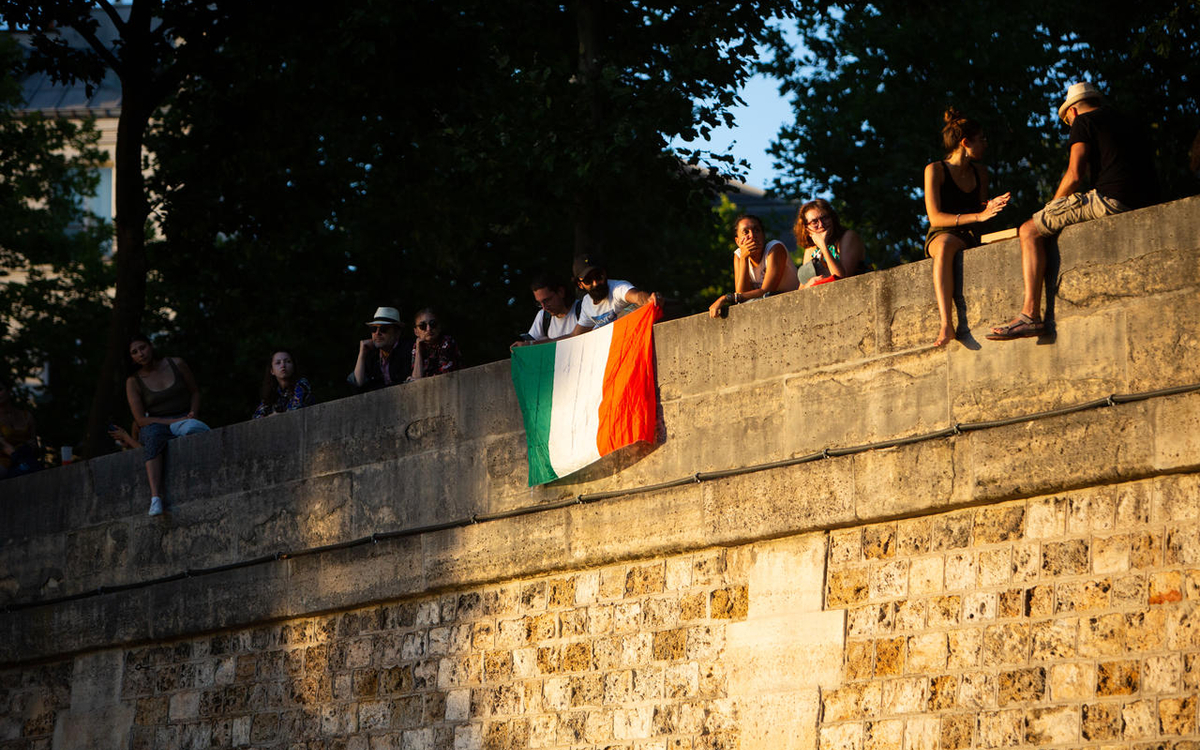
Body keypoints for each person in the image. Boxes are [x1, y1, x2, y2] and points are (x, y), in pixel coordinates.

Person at [989, 81, 1159, 340]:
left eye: (1067, 121)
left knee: (1029, 230)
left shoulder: (1083, 122)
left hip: (1112, 200)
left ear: (1073, 112)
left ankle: (1030, 316)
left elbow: (1074, 174)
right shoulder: (1129, 121)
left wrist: (1052, 208)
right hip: (1145, 201)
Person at [923, 108, 1011, 346]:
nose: (985, 143)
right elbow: (936, 218)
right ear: (965, 142)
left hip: (970, 234)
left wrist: (991, 206)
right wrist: (978, 216)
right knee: (944, 246)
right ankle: (945, 324)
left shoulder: (981, 172)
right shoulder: (935, 170)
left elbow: (981, 209)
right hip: (943, 233)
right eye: (981, 139)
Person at [124, 334, 210, 516]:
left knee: (193, 429)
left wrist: (192, 412)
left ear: (151, 346)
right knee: (152, 435)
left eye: (143, 348)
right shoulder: (134, 382)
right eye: (135, 352)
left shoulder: (176, 364)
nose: (141, 354)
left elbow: (194, 392)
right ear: (131, 357)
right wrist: (171, 422)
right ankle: (155, 497)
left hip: (184, 417)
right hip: (157, 423)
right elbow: (140, 420)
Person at [708, 214, 800, 318]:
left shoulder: (775, 249)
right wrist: (744, 259)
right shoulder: (739, 255)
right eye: (746, 232)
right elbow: (742, 296)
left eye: (756, 230)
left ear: (763, 235)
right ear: (738, 241)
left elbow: (766, 291)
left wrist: (727, 298)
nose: (752, 235)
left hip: (792, 306)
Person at [564, 252, 660, 337]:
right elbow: (575, 335)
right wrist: (550, 341)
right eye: (588, 280)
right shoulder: (586, 303)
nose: (595, 283)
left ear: (604, 273)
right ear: (580, 284)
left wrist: (649, 300)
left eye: (598, 276)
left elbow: (637, 296)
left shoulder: (618, 288)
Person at [794, 199, 866, 289]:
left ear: (832, 218)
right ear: (806, 228)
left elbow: (842, 279)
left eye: (824, 218)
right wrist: (809, 284)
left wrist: (823, 246)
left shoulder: (848, 237)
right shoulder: (810, 249)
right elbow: (801, 288)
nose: (821, 225)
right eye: (814, 222)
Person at [512, 272, 582, 348]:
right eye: (539, 303)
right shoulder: (543, 316)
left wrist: (534, 344)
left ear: (561, 292)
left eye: (547, 300)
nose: (544, 307)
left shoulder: (582, 310)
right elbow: (530, 346)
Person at [351, 306, 413, 391]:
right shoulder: (372, 355)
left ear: (397, 333)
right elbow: (358, 384)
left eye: (384, 329)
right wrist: (362, 354)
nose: (377, 333)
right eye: (374, 329)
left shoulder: (409, 350)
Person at [253, 349, 314, 418]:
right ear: (272, 371)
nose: (283, 365)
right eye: (278, 363)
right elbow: (256, 416)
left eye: (288, 362)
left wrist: (274, 416)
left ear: (293, 366)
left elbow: (296, 409)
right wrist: (271, 416)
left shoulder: (302, 384)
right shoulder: (272, 392)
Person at [0, 381, 40, 479]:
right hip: (4, 462)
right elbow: (2, 445)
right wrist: (16, 454)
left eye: (0, 390)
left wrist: (27, 449)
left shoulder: (26, 416)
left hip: (26, 459)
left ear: (8, 391)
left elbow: (34, 443)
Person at [408, 308, 461, 380]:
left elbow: (444, 376)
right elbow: (416, 379)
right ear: (416, 332)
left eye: (433, 324)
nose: (428, 329)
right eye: (422, 326)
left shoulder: (447, 342)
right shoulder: (418, 345)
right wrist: (418, 350)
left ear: (439, 327)